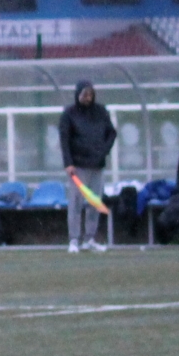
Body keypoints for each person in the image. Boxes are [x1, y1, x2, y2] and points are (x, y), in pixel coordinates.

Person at [58, 80, 116, 253]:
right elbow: (64, 139)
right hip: (78, 166)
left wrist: (103, 151)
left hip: (97, 165)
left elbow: (111, 133)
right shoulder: (69, 114)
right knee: (75, 203)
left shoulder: (101, 112)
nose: (87, 98)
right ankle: (73, 240)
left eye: (90, 94)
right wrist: (68, 163)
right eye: (84, 94)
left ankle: (89, 238)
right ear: (78, 95)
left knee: (94, 202)